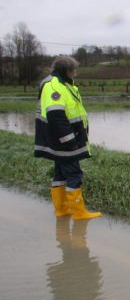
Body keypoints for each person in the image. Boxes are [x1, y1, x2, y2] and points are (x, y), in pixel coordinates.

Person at [35, 56, 101, 219]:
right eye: (74, 70)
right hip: (65, 141)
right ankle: (79, 212)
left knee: (60, 174)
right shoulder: (54, 86)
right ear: (67, 70)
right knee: (74, 174)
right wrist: (69, 140)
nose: (76, 73)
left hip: (62, 140)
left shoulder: (62, 84)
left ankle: (62, 210)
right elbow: (55, 115)